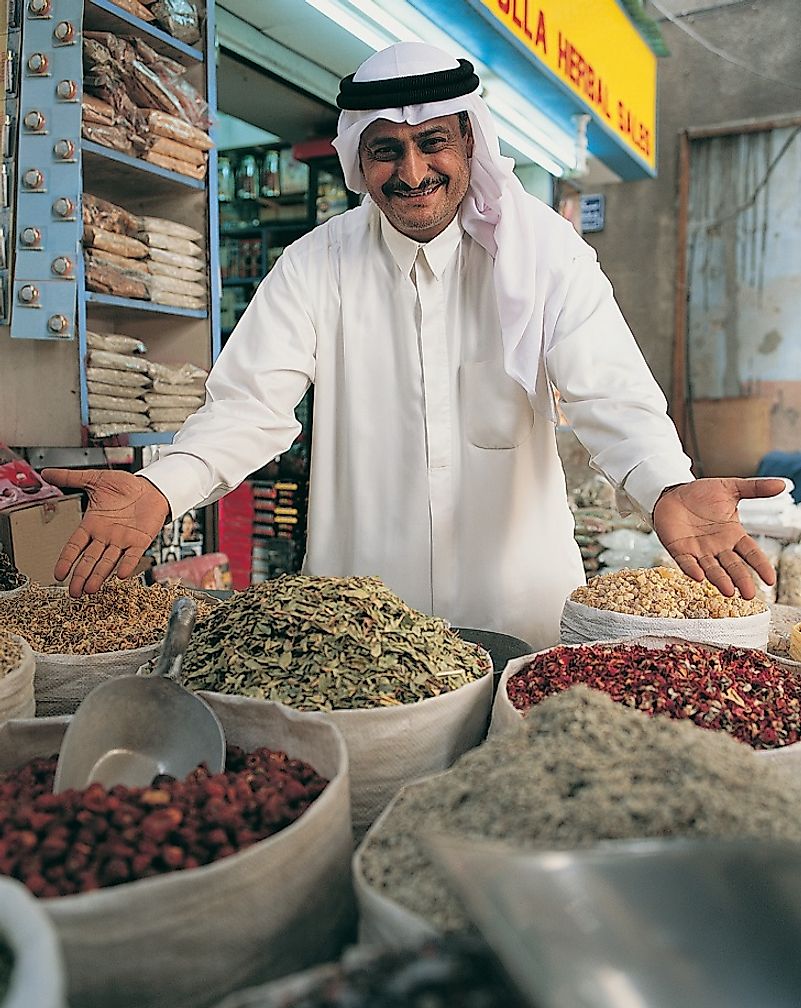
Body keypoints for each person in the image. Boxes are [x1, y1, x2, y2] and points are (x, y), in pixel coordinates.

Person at [43, 42, 783, 648]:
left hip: (517, 617)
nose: (412, 172)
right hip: (363, 628)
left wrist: (663, 480)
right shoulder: (314, 264)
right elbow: (249, 405)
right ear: (357, 162)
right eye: (385, 151)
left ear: (467, 140)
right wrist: (163, 487)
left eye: (432, 143)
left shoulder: (542, 254)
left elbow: (608, 388)